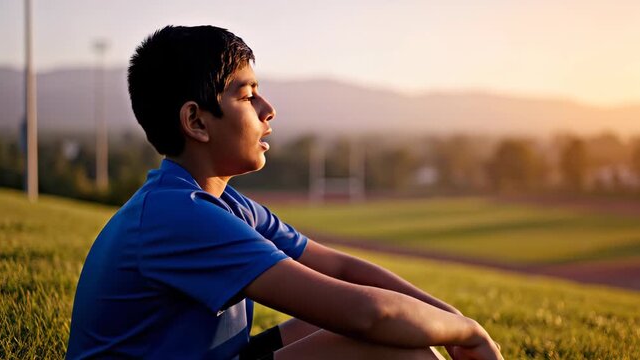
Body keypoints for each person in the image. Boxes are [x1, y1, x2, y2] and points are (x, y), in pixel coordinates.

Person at [66, 25, 503, 360]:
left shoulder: (226, 205)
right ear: (196, 122)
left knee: (378, 336)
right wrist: (467, 333)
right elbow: (365, 312)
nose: (268, 109)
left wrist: (454, 317)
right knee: (393, 348)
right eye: (247, 95)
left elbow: (344, 271)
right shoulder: (177, 215)